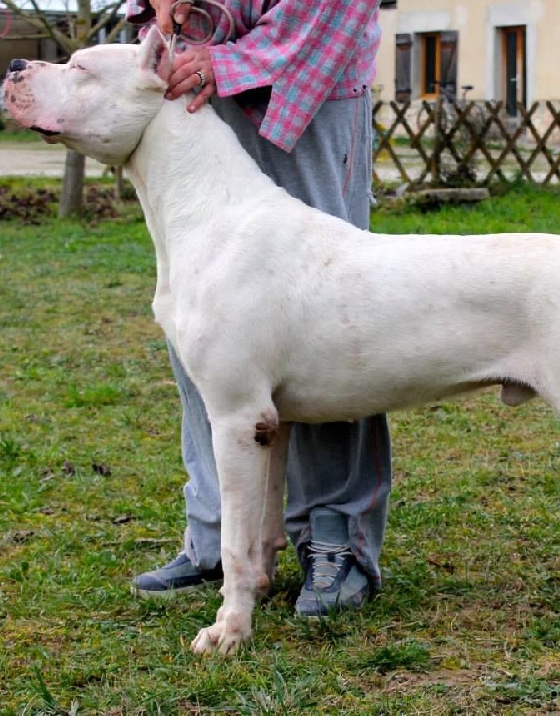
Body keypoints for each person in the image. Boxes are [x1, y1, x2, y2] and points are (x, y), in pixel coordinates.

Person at [126, 0, 392, 616]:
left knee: (335, 314)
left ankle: (335, 537)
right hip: (195, 80)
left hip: (311, 82)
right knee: (206, 321)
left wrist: (235, 59)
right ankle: (220, 533)